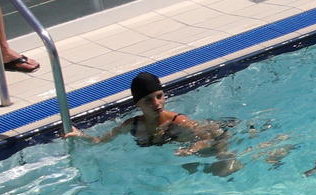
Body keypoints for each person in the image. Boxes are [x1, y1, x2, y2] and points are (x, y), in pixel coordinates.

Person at [69, 71, 237, 175]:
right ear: (138, 104)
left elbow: (208, 138)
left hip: (217, 138)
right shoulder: (132, 125)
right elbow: (100, 141)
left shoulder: (178, 121)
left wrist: (192, 149)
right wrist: (80, 135)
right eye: (148, 100)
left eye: (159, 96)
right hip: (186, 148)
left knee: (225, 171)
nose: (157, 103)